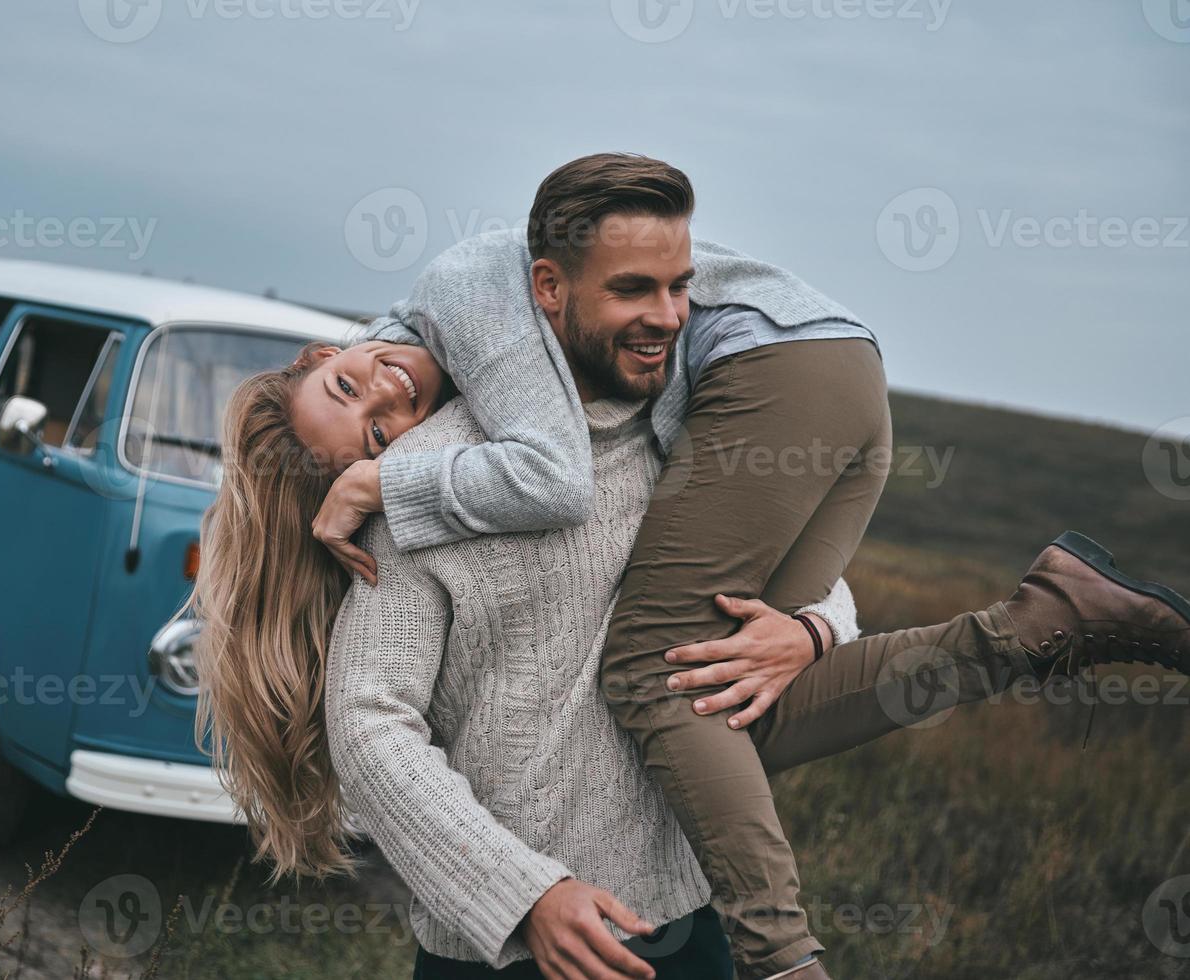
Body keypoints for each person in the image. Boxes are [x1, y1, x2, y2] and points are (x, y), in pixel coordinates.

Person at [189, 153, 1190, 979]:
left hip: (683, 914)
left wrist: (806, 627)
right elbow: (369, 720)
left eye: (362, 386)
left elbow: (764, 570)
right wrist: (519, 890)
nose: (389, 406)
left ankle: (1039, 624)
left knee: (720, 687)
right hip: (518, 946)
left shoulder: (655, 409)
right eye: (366, 426)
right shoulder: (413, 486)